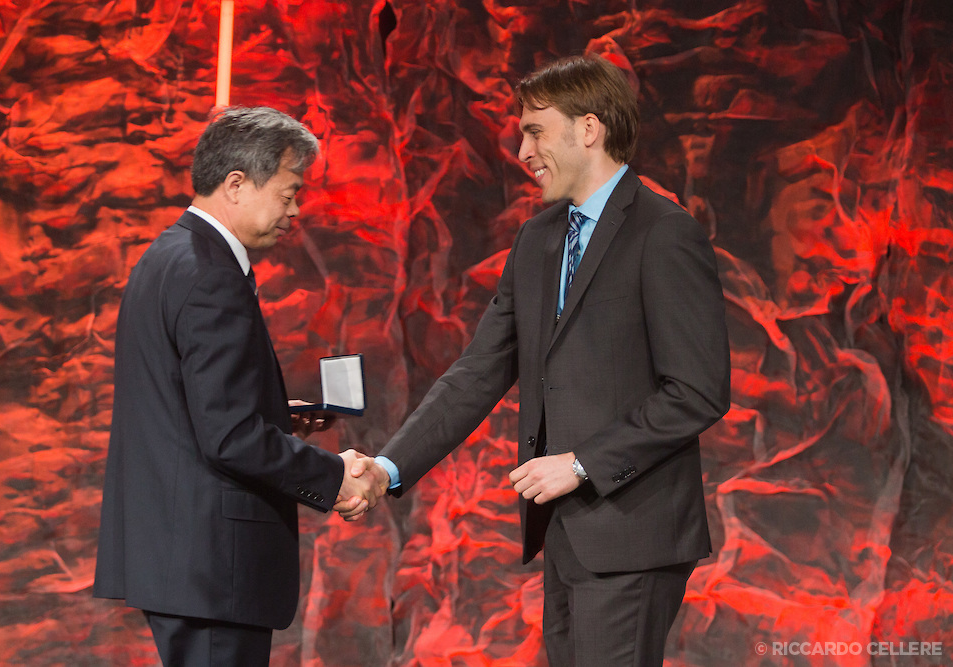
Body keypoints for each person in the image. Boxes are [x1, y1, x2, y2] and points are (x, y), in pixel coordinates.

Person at [358, 55, 731, 665]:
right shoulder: (537, 239)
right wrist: (387, 468)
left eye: (534, 130)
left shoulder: (664, 232)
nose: (523, 150)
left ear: (589, 128)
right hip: (564, 532)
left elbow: (697, 391)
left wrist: (584, 464)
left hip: (632, 535)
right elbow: (477, 374)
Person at [94, 106, 389, 666]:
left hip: (182, 558)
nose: (296, 210)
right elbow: (228, 436)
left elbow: (188, 404)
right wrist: (334, 476)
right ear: (236, 184)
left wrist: (276, 411)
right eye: (288, 192)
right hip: (212, 566)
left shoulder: (165, 256)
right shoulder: (210, 275)